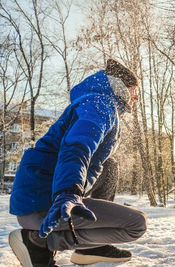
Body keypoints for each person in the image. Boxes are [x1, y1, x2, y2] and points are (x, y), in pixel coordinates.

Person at [8, 59, 147, 266]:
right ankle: (38, 241)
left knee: (109, 167)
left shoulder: (95, 102)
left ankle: (91, 249)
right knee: (136, 224)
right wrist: (68, 192)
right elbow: (76, 147)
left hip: (39, 201)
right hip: (48, 208)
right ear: (119, 86)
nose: (136, 96)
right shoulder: (101, 105)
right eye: (134, 89)